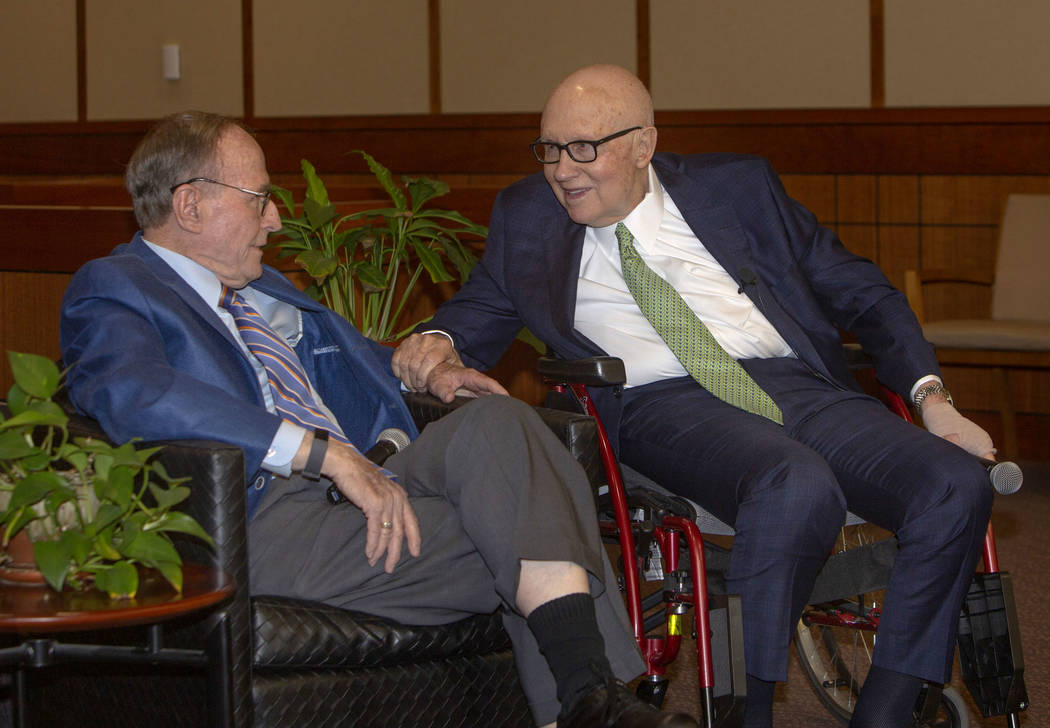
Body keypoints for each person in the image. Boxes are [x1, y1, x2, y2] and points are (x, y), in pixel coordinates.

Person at [392, 65, 996, 728]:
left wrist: (931, 397)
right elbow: (476, 312)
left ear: (644, 144)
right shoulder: (527, 217)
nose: (563, 170)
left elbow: (864, 291)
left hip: (791, 383)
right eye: (550, 149)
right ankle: (747, 713)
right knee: (795, 484)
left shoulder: (738, 188)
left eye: (584, 148)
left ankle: (884, 712)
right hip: (660, 403)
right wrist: (438, 341)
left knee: (956, 483)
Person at [59, 110, 701, 728]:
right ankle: (592, 700)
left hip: (372, 485)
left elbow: (363, 359)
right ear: (191, 205)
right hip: (258, 515)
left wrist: (429, 370)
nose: (276, 220)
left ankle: (589, 704)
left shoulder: (261, 291)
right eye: (259, 200)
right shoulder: (115, 286)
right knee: (535, 517)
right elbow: (133, 393)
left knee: (503, 423)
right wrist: (320, 453)